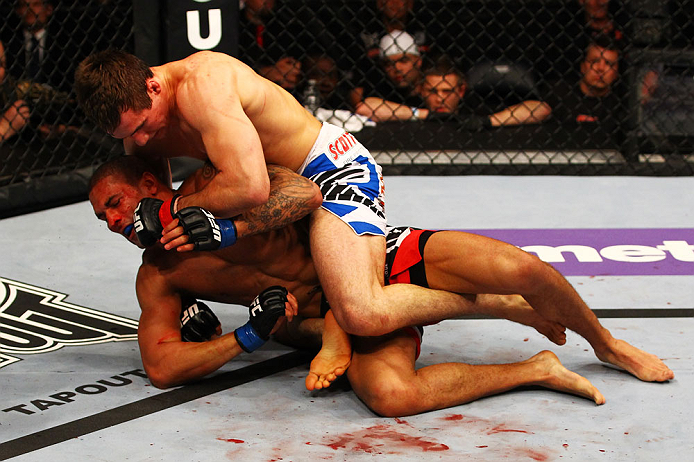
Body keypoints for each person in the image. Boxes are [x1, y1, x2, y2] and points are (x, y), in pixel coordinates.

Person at [89, 156, 673, 401]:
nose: (115, 223)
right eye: (103, 219)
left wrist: (228, 225)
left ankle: (606, 343)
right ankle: (533, 368)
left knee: (521, 268)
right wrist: (244, 337)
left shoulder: (218, 185)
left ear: (147, 185)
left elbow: (302, 189)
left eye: (115, 204)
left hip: (373, 259)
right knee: (391, 395)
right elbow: (162, 366)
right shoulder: (157, 277)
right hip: (325, 316)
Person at [360, 50, 551, 128]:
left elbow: (540, 109)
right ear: (421, 90)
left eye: (447, 91)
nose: (440, 99)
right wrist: (426, 115)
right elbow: (365, 107)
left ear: (460, 91)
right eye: (433, 92)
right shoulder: (414, 107)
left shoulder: (475, 107)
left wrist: (488, 121)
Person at [546, 35, 624, 133]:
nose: (600, 68)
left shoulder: (622, 103)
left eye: (608, 64)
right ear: (582, 66)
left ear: (616, 73)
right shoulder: (558, 92)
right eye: (594, 61)